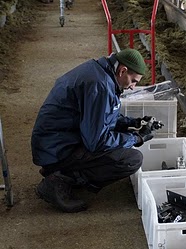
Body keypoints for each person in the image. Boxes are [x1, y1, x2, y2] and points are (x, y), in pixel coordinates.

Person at [31, 48, 156, 213]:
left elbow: (102, 116)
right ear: (122, 70)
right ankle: (59, 180)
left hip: (56, 142)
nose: (133, 87)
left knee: (119, 146)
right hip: (56, 149)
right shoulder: (101, 86)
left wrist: (132, 122)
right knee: (131, 159)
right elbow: (97, 142)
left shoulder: (100, 73)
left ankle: (61, 171)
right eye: (134, 81)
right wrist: (135, 138)